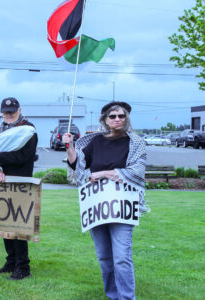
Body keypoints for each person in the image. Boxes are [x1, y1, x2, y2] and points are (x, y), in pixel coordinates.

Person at [63, 101, 147, 300]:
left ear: (126, 118)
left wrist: (103, 173)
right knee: (104, 257)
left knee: (121, 258)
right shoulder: (95, 142)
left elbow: (137, 171)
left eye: (121, 116)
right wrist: (70, 146)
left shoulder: (135, 142)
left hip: (122, 205)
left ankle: (126, 297)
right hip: (97, 204)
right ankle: (113, 295)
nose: (117, 119)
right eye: (113, 116)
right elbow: (79, 168)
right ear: (105, 120)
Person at [0, 97, 38, 280]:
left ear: (20, 110)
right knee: (5, 223)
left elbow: (23, 156)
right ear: (1, 113)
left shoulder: (29, 130)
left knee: (19, 225)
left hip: (21, 184)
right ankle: (11, 261)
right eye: (6, 112)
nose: (9, 115)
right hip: (2, 185)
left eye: (12, 112)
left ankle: (23, 267)